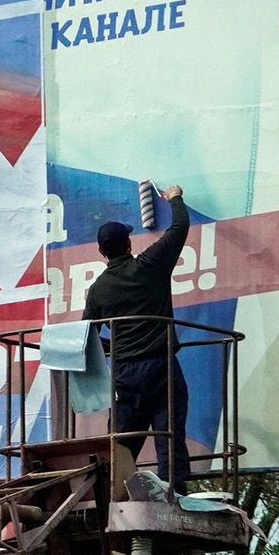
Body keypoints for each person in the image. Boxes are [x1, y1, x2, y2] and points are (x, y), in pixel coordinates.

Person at [83, 185, 191, 494]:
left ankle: (112, 497)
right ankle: (175, 496)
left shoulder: (98, 290)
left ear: (102, 252)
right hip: (161, 368)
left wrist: (114, 347)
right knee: (168, 438)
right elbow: (179, 227)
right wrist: (174, 197)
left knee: (120, 445)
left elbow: (86, 336)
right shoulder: (149, 266)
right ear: (128, 243)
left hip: (124, 375)